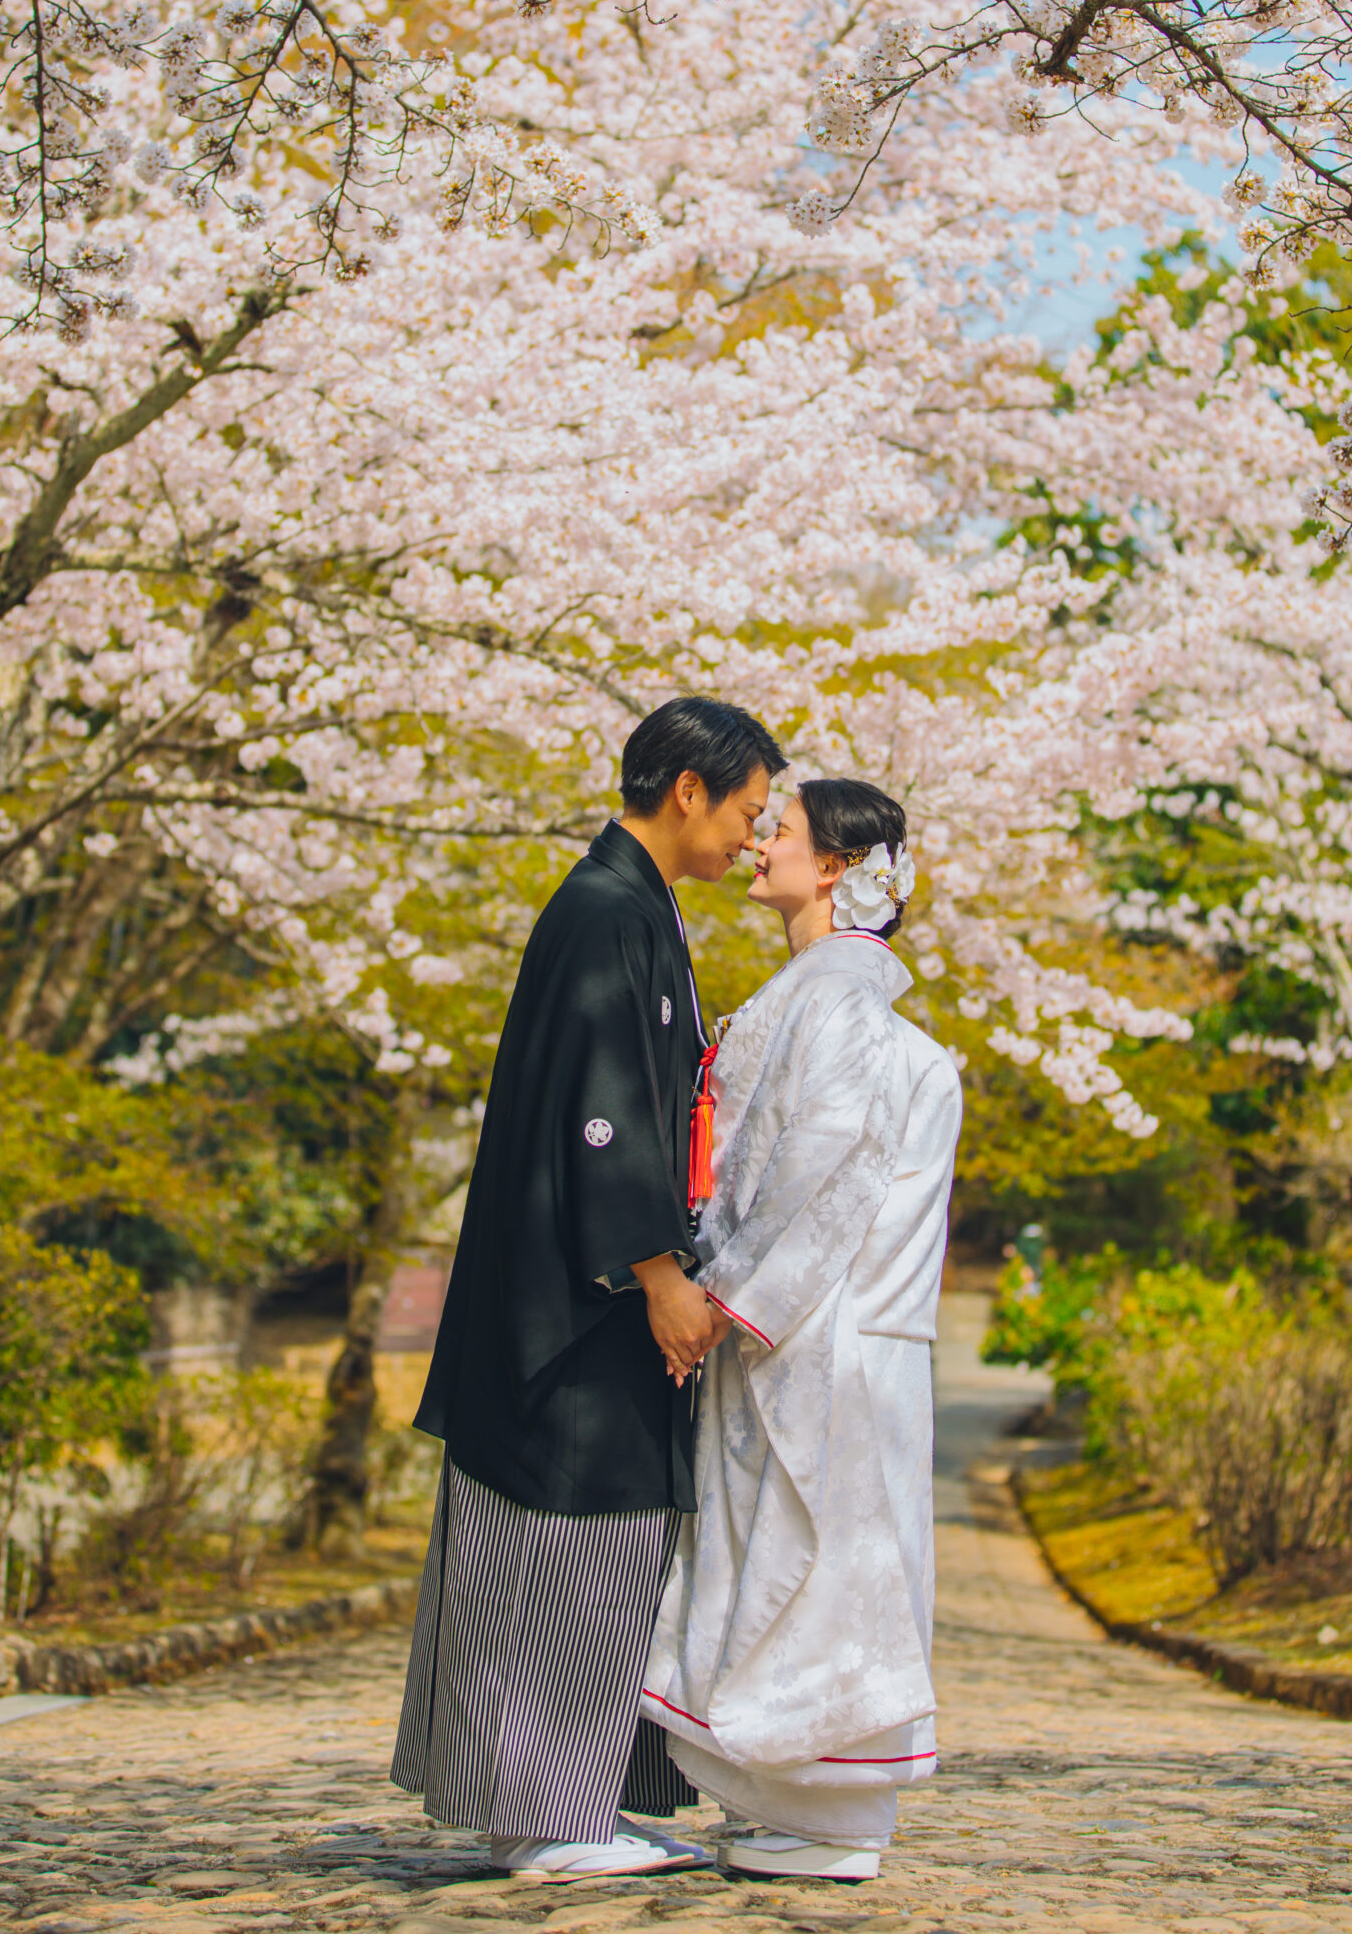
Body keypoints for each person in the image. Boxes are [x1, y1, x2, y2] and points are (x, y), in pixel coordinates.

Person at [391, 696, 784, 1879]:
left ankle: (567, 1798)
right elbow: (603, 1118)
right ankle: (544, 1813)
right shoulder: (607, 909)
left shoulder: (630, 907)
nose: (753, 843)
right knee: (565, 1529)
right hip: (577, 1298)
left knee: (592, 1537)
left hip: (586, 1285)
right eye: (749, 814)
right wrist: (658, 1269)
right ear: (686, 790)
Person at [641, 777, 962, 1883]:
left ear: (834, 867)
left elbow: (821, 1167)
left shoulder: (837, 1008)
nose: (759, 840)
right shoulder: (840, 1001)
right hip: (832, 1332)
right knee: (808, 1558)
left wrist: (721, 1295)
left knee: (807, 1557)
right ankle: (801, 1805)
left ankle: (822, 1812)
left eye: (779, 830)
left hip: (820, 1336)